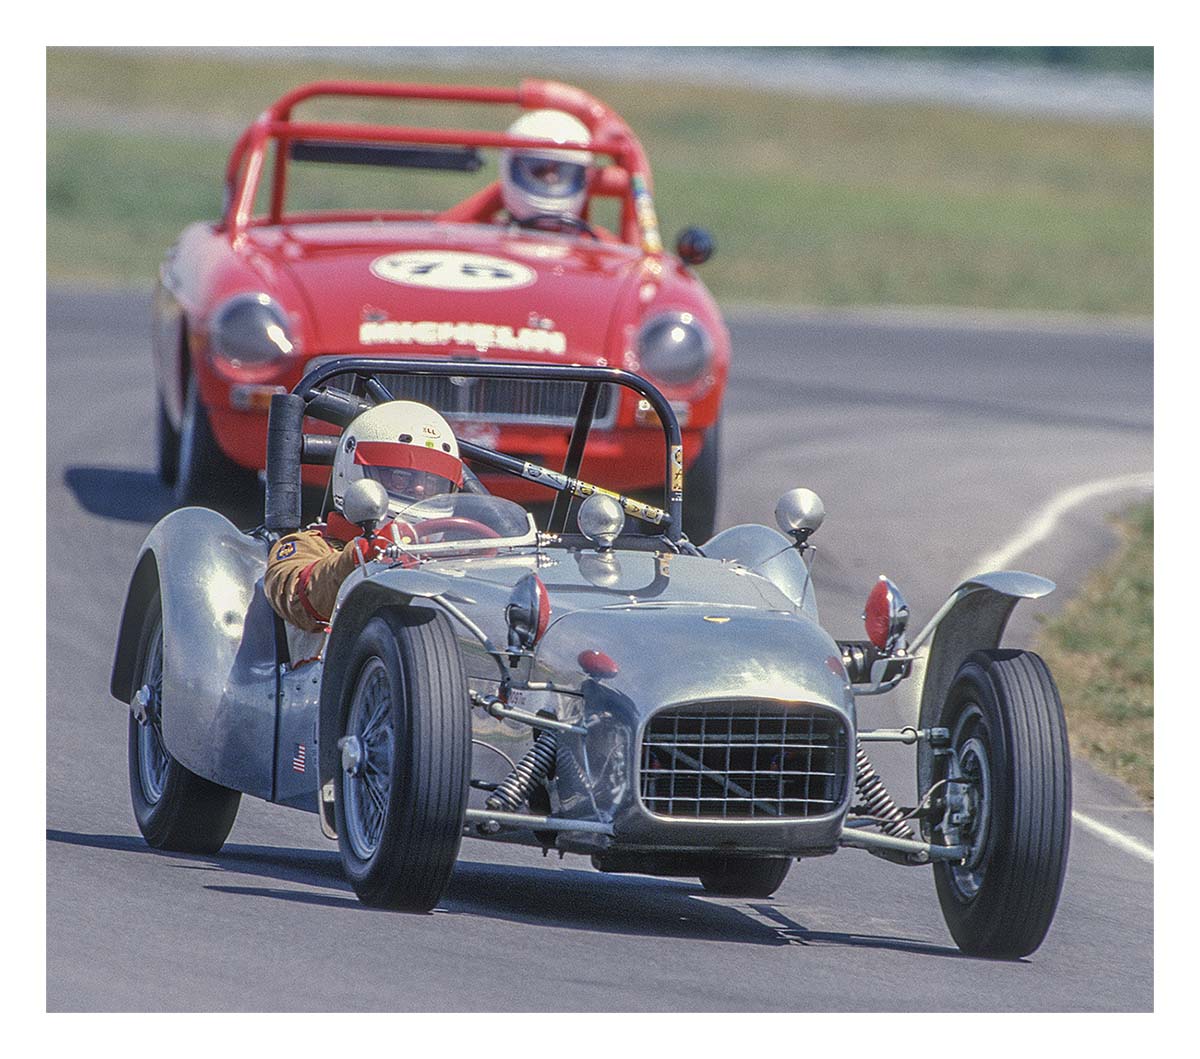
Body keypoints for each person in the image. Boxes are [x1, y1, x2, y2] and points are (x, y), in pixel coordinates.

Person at [265, 400, 464, 635]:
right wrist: (362, 556)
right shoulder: (308, 546)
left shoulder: (452, 555)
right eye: (400, 479)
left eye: (431, 482)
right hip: (335, 667)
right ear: (351, 471)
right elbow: (296, 596)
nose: (420, 490)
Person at [501, 109, 593, 229]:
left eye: (562, 170)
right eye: (539, 169)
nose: (550, 179)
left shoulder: (601, 242)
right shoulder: (480, 236)